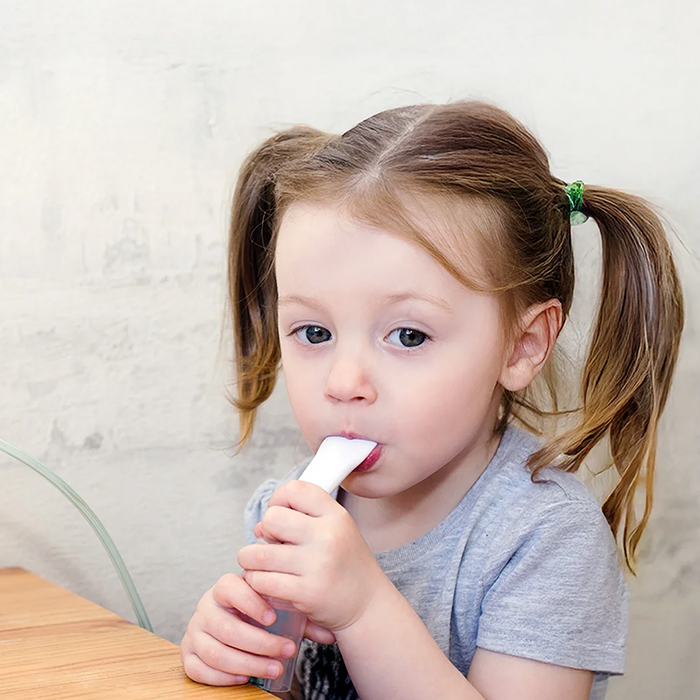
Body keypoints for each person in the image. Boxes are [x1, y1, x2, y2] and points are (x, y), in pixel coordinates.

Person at [180, 101, 684, 700]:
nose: (343, 381)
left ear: (522, 345)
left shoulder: (544, 540)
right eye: (314, 333)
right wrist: (233, 661)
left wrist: (363, 608)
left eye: (408, 336)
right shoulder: (286, 514)